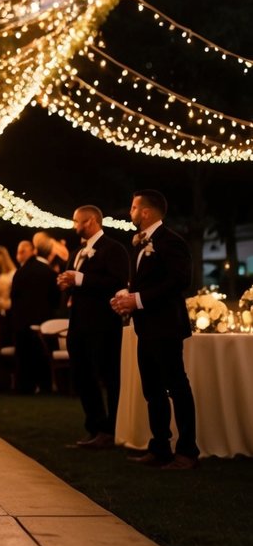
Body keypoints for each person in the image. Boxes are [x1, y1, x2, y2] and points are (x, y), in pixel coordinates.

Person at [111, 190, 199, 470]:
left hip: (167, 326)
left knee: (177, 387)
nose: (131, 211)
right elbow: (144, 283)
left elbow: (180, 281)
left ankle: (187, 452)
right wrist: (127, 298)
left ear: (146, 212)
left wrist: (137, 300)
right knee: (153, 390)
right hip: (146, 327)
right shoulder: (139, 242)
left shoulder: (171, 241)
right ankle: (160, 446)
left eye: (134, 206)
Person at [57, 205, 130, 449]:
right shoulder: (77, 251)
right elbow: (75, 282)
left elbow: (117, 282)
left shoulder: (114, 249)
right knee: (82, 376)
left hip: (103, 324)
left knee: (108, 376)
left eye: (76, 221)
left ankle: (113, 428)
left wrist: (80, 279)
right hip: (78, 323)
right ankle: (95, 426)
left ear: (91, 222)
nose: (74, 225)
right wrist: (66, 283)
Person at [10, 238, 60, 394]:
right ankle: (46, 386)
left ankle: (24, 386)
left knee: (24, 356)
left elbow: (14, 297)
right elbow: (56, 298)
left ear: (33, 251)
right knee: (43, 354)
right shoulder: (49, 271)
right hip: (45, 320)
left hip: (22, 320)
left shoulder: (20, 272)